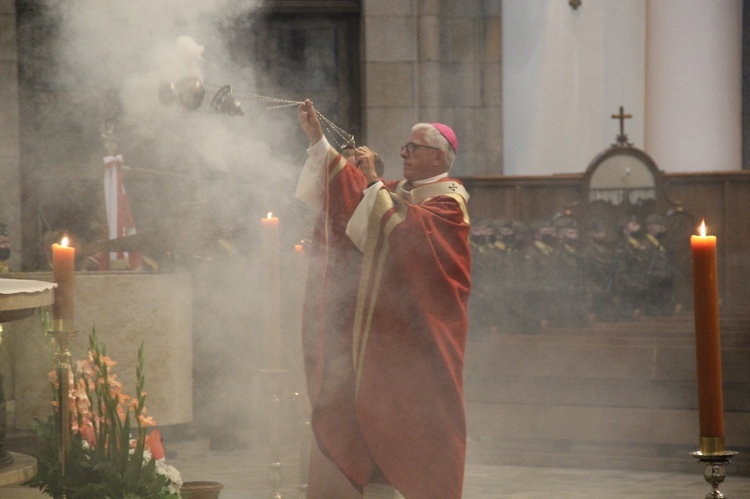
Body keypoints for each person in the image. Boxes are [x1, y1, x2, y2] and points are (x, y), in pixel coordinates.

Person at [296, 99, 471, 499]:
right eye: (405, 147)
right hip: (387, 339)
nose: (403, 154)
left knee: (422, 433)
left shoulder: (449, 203)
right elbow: (355, 197)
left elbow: (409, 233)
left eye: (413, 148)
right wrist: (319, 142)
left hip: (425, 342)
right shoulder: (401, 192)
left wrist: (373, 181)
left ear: (438, 157)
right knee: (368, 415)